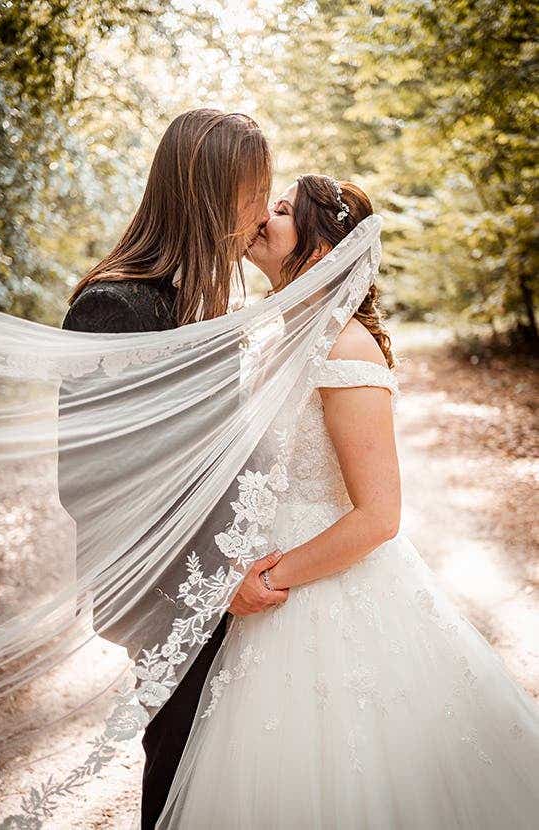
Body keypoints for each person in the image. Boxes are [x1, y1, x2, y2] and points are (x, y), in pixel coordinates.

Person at [154, 175, 539, 829]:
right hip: (267, 604)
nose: (262, 216)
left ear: (323, 252)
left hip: (319, 597)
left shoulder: (346, 348)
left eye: (281, 210)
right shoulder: (280, 341)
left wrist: (266, 579)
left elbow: (379, 516)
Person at [60, 108, 288, 830]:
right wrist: (214, 583)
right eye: (257, 190)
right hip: (175, 594)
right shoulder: (116, 304)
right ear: (210, 194)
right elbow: (92, 480)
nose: (263, 210)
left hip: (221, 584)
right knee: (180, 768)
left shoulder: (195, 299)